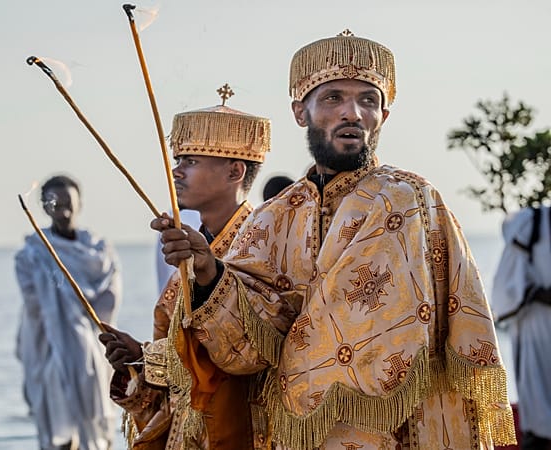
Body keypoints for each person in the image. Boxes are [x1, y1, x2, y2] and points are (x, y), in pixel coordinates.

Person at [152, 30, 516, 449]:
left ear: (383, 116)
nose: (352, 113)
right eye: (333, 98)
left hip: (395, 432)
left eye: (367, 100)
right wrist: (209, 273)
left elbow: (380, 334)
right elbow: (246, 351)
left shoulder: (409, 200)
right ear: (300, 112)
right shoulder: (273, 218)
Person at [99, 86, 272, 449]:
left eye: (190, 162)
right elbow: (178, 369)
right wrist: (138, 363)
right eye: (178, 161)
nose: (176, 172)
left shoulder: (264, 245)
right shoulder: (192, 245)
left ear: (234, 171)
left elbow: (257, 354)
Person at [15, 174, 122, 450]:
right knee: (59, 431)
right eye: (55, 203)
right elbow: (35, 304)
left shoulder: (99, 252)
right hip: (49, 349)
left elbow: (108, 303)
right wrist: (61, 298)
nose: (63, 210)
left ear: (79, 203)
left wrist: (80, 313)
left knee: (96, 424)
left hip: (91, 351)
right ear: (44, 206)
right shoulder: (33, 253)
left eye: (68, 202)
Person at [492, 205, 551, 449]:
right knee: (538, 418)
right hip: (534, 333)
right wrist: (538, 294)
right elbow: (504, 288)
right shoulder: (532, 224)